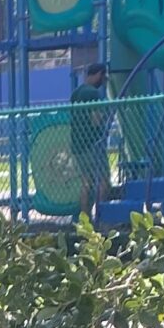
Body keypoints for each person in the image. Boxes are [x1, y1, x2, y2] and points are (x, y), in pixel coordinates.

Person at [69, 58, 112, 218]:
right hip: (92, 144)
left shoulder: (76, 93)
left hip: (78, 145)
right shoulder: (93, 93)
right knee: (103, 181)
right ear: (99, 75)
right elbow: (96, 119)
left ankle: (84, 218)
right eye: (103, 76)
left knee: (86, 182)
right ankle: (101, 217)